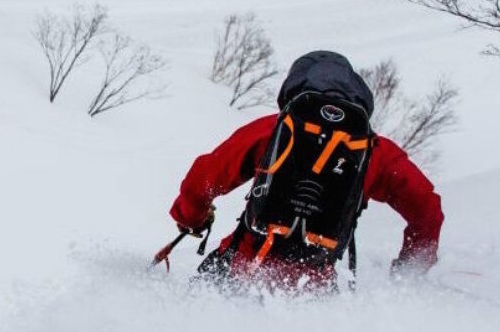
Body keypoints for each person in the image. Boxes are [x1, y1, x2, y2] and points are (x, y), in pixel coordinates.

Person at [170, 51, 443, 291]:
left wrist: (192, 218)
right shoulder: (375, 151)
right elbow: (427, 210)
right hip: (312, 289)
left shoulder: (273, 129)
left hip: (241, 267)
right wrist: (410, 271)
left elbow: (205, 175)